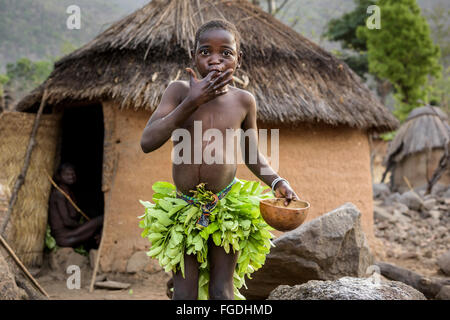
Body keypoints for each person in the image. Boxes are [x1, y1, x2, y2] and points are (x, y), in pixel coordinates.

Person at [140, 20, 299, 300]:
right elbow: (148, 141)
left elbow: (251, 154)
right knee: (184, 293)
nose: (215, 59)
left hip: (225, 208)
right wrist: (192, 101)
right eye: (206, 52)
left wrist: (278, 181)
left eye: (226, 53)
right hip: (183, 208)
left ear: (238, 59)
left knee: (221, 291)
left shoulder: (243, 101)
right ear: (194, 55)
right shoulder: (178, 92)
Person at [48, 163, 103, 250]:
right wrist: (85, 225)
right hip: (65, 237)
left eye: (73, 174)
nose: (71, 176)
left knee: (95, 225)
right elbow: (67, 222)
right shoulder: (59, 194)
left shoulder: (69, 192)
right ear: (59, 176)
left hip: (71, 234)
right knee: (100, 219)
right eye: (67, 174)